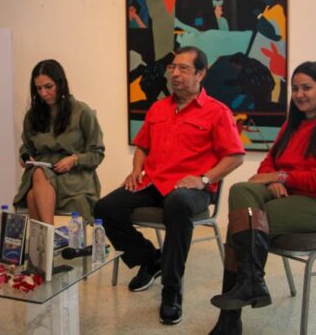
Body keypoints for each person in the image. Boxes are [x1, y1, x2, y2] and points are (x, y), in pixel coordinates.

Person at [94, 46, 245, 325]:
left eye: (183, 68)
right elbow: (142, 145)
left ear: (201, 74)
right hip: (154, 182)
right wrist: (136, 169)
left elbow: (235, 156)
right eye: (173, 67)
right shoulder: (158, 108)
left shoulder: (217, 112)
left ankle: (171, 291)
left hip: (192, 189)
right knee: (105, 208)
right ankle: (151, 259)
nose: (175, 73)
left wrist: (203, 179)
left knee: (178, 203)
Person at [208, 61, 316, 335]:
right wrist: (274, 179)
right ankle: (251, 284)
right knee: (241, 190)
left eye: (307, 88)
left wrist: (283, 177)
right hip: (287, 195)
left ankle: (230, 318)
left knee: (246, 222)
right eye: (295, 88)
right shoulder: (292, 124)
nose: (299, 94)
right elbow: (268, 163)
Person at [14, 59, 105, 224]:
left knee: (33, 195)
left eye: (48, 87)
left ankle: (45, 236)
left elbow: (97, 153)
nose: (43, 93)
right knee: (38, 176)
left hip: (74, 177)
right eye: (38, 88)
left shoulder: (82, 112)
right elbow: (26, 148)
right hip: (42, 175)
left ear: (60, 83)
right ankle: (48, 235)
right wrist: (25, 157)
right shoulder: (32, 116)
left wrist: (74, 160)